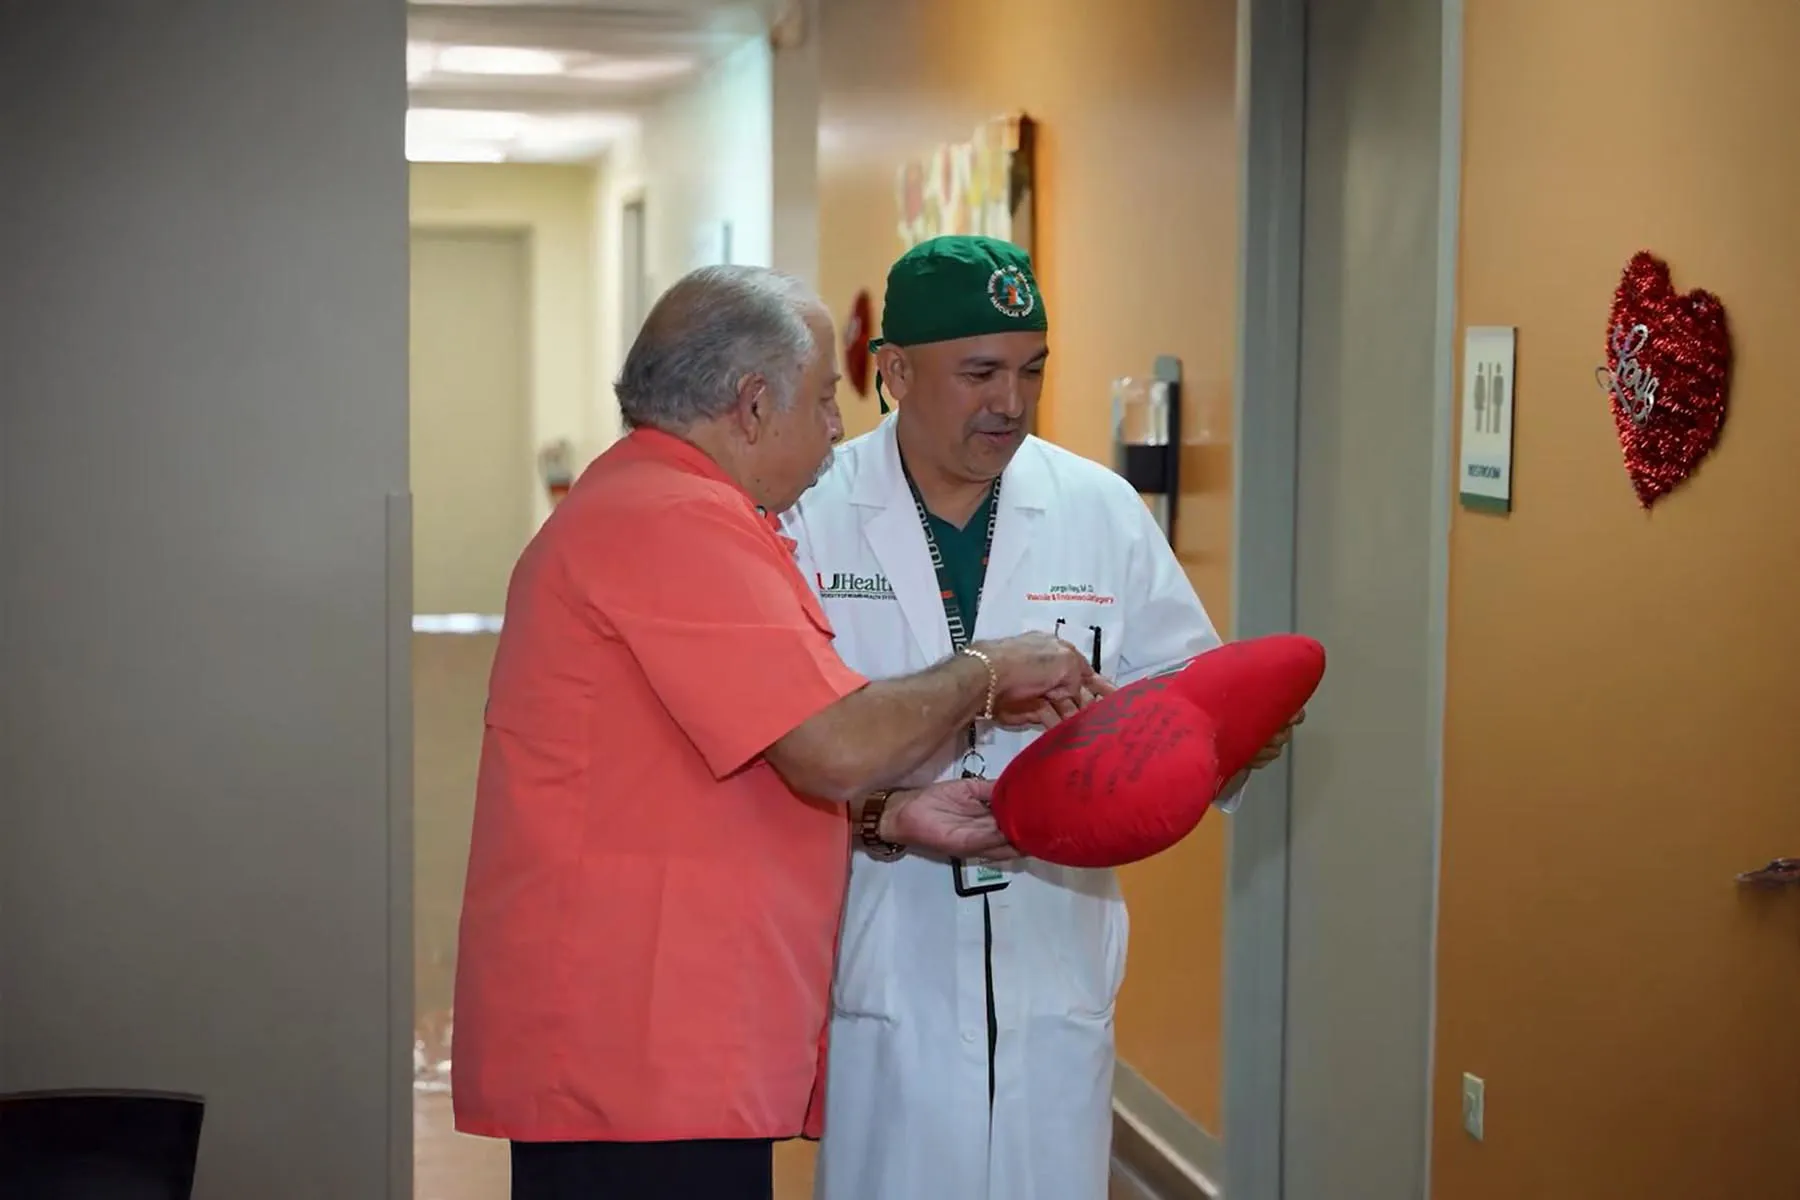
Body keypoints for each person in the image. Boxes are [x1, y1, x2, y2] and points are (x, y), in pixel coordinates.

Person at [450, 264, 1109, 1200]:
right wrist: (988, 669)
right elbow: (830, 743)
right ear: (753, 405)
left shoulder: (658, 508)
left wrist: (889, 816)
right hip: (640, 1052)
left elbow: (728, 759)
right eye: (824, 400)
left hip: (655, 1044)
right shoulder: (672, 522)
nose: (841, 427)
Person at [782, 236, 1299, 1200]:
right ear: (893, 372)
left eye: (1030, 370)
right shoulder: (810, 516)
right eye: (978, 371)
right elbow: (773, 754)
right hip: (883, 957)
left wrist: (1232, 745)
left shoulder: (1096, 509)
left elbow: (1182, 699)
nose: (1009, 403)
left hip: (1053, 959)